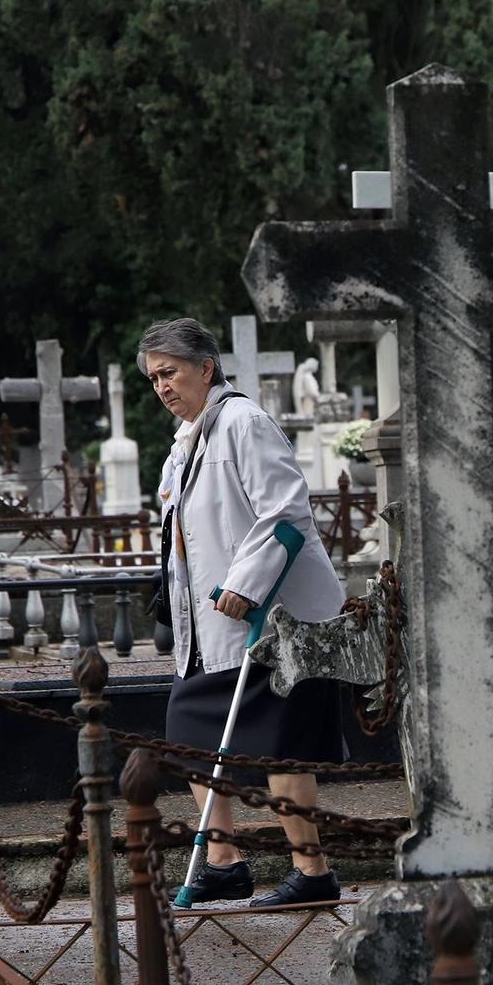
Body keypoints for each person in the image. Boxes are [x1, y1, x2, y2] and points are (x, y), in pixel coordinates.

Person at [142, 317, 349, 908]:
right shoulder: (186, 444)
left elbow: (285, 512)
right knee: (190, 737)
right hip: (209, 627)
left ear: (205, 368)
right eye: (154, 377)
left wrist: (246, 585)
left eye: (170, 372)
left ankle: (312, 873)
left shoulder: (244, 423)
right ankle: (223, 862)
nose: (161, 387)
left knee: (279, 747)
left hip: (273, 622)